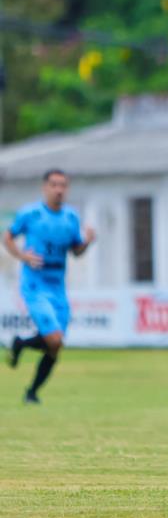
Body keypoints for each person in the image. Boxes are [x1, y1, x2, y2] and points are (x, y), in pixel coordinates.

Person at [3, 169, 95, 404]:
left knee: (56, 346)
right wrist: (23, 256)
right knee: (53, 339)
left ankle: (31, 391)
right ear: (45, 187)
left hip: (57, 288)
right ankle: (21, 345)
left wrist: (87, 241)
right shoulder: (30, 214)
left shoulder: (71, 217)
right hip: (35, 285)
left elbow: (76, 252)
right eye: (54, 185)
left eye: (63, 185)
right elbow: (8, 237)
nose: (59, 190)